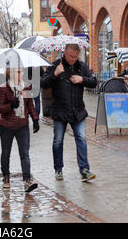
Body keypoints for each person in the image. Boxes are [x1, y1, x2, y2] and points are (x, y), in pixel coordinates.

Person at [41, 44, 97, 182]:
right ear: (65, 54)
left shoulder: (82, 66)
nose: (73, 59)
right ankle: (58, 169)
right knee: (58, 141)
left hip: (77, 110)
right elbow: (43, 83)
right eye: (71, 56)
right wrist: (55, 74)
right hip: (60, 110)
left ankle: (84, 169)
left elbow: (94, 82)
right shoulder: (55, 65)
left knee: (81, 138)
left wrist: (82, 79)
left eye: (76, 56)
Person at [0, 67, 40, 193]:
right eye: (19, 72)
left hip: (22, 125)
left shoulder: (25, 87)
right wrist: (11, 106)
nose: (21, 74)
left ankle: (27, 180)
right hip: (7, 126)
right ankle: (6, 177)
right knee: (6, 152)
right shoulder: (3, 88)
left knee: (25, 154)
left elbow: (30, 105)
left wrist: (35, 119)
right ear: (11, 74)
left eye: (22, 71)